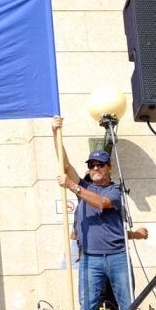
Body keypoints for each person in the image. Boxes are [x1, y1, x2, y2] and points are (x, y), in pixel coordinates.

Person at [52, 116, 133, 310]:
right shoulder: (85, 186)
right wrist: (55, 133)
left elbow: (102, 203)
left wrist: (72, 186)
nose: (95, 168)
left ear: (108, 167)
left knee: (127, 304)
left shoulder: (115, 189)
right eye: (91, 165)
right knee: (87, 305)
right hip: (90, 257)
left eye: (100, 164)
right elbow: (66, 166)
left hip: (117, 256)